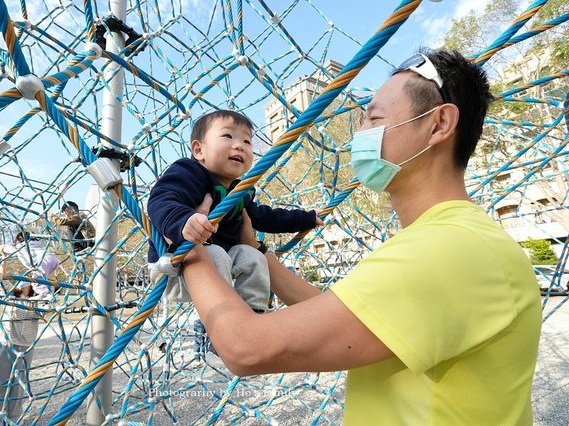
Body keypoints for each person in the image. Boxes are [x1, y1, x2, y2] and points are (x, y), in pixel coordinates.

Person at [180, 49, 542, 424]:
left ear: (438, 125)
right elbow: (339, 316)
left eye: (375, 118)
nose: (360, 133)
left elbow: (246, 349)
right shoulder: (446, 239)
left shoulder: (450, 249)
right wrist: (254, 248)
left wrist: (188, 247)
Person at [147, 110, 321, 353]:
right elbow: (161, 200)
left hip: (221, 267)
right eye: (228, 136)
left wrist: (306, 219)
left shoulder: (241, 191)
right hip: (174, 267)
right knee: (216, 253)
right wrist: (184, 221)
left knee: (252, 256)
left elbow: (265, 217)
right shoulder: (188, 172)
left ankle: (255, 318)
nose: (239, 146)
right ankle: (222, 330)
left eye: (247, 141)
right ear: (199, 150)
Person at [0, 260, 39, 425]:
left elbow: (48, 295)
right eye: (22, 282)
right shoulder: (10, 295)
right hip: (6, 343)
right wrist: (4, 257)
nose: (24, 285)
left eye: (27, 283)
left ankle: (14, 419)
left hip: (25, 347)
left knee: (18, 384)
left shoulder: (37, 300)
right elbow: (1, 277)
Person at [0, 231, 60, 300]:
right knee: (43, 278)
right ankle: (46, 293)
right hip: (52, 259)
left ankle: (47, 295)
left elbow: (9, 249)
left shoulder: (20, 246)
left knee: (36, 281)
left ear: (19, 239)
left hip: (42, 261)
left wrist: (3, 248)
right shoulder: (36, 244)